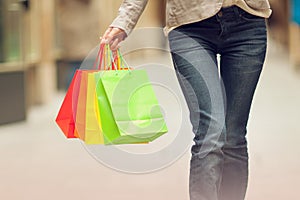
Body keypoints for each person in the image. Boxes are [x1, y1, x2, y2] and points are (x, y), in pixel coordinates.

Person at [100, 1, 272, 200]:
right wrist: (125, 20)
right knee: (211, 132)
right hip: (190, 26)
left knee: (234, 138)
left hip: (247, 23)